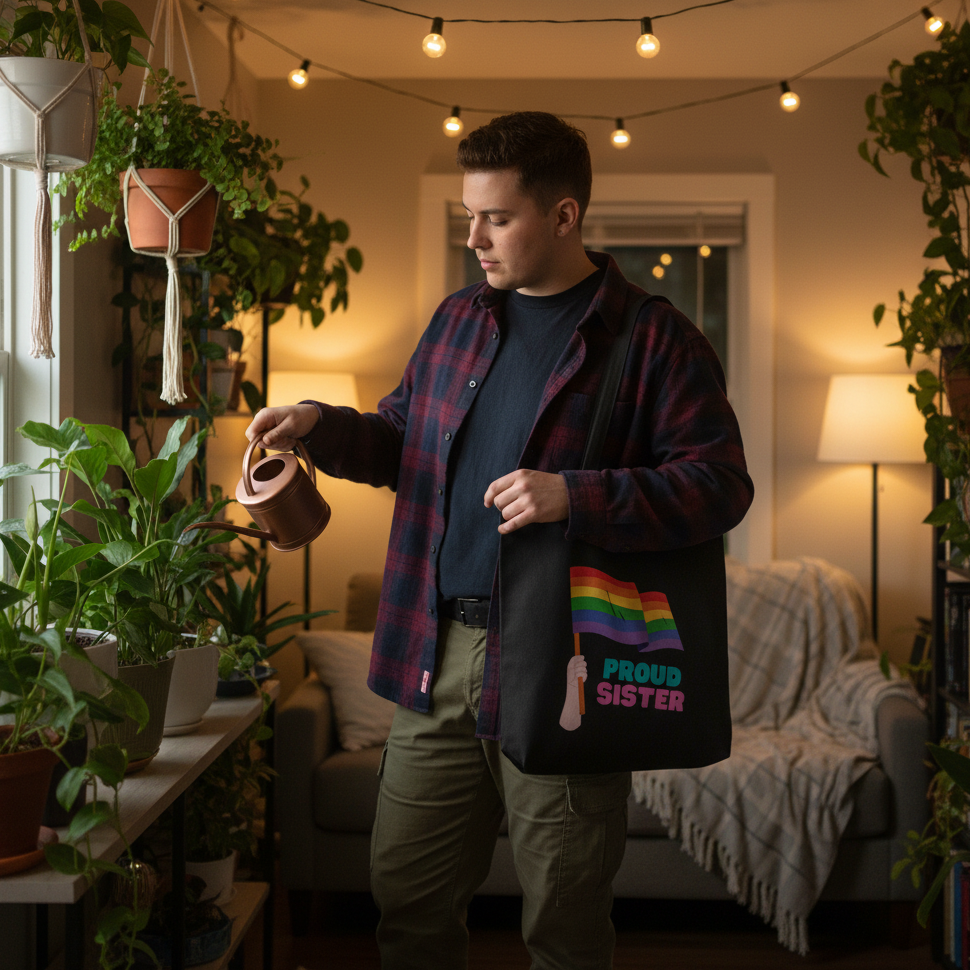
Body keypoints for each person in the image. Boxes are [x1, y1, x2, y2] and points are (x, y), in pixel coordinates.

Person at [245, 111, 754, 970]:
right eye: (468, 216)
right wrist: (317, 425)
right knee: (406, 908)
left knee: (565, 929)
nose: (474, 238)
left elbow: (720, 486)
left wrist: (574, 496)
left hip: (564, 665)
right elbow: (401, 440)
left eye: (497, 218)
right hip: (434, 654)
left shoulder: (655, 338)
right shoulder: (456, 321)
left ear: (564, 216)